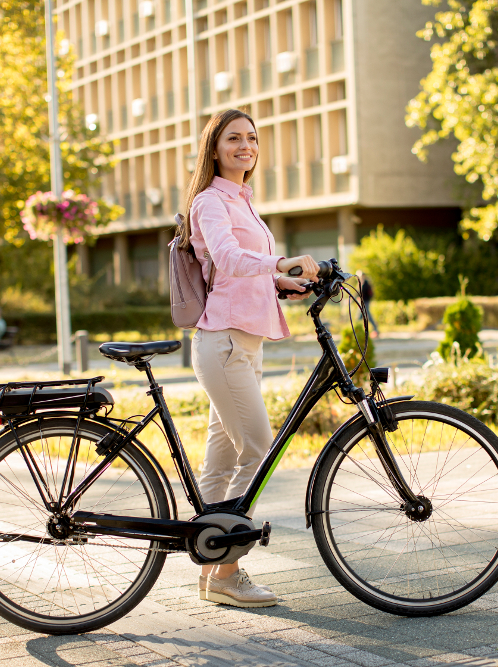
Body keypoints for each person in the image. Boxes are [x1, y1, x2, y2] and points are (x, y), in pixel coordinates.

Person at [179, 109, 318, 608]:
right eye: (234, 138)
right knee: (258, 449)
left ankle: (210, 569)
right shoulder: (210, 202)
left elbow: (247, 273)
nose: (246, 146)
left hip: (245, 344)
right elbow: (229, 257)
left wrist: (288, 282)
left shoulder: (244, 200)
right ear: (214, 148)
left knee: (220, 464)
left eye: (252, 138)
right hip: (224, 344)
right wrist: (280, 262)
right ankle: (228, 570)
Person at [356, 271, 379, 338]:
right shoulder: (361, 283)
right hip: (362, 302)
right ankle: (357, 329)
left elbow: (363, 293)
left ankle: (356, 329)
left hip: (365, 302)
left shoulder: (365, 283)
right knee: (361, 315)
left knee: (365, 315)